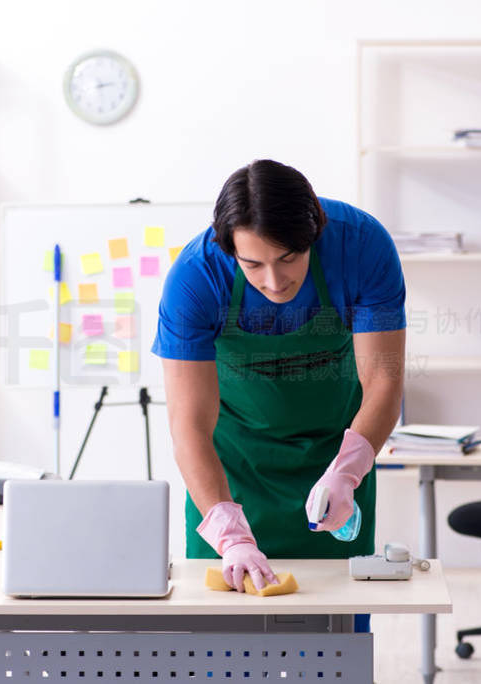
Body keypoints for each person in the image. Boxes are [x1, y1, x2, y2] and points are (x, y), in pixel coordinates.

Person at [152, 159, 406, 596]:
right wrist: (229, 535)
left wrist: (346, 474)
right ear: (229, 249)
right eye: (253, 265)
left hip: (336, 458)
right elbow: (188, 424)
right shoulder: (196, 278)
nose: (273, 281)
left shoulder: (362, 246)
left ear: (316, 233)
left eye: (288, 258)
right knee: (217, 645)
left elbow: (383, 381)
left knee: (337, 631)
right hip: (231, 469)